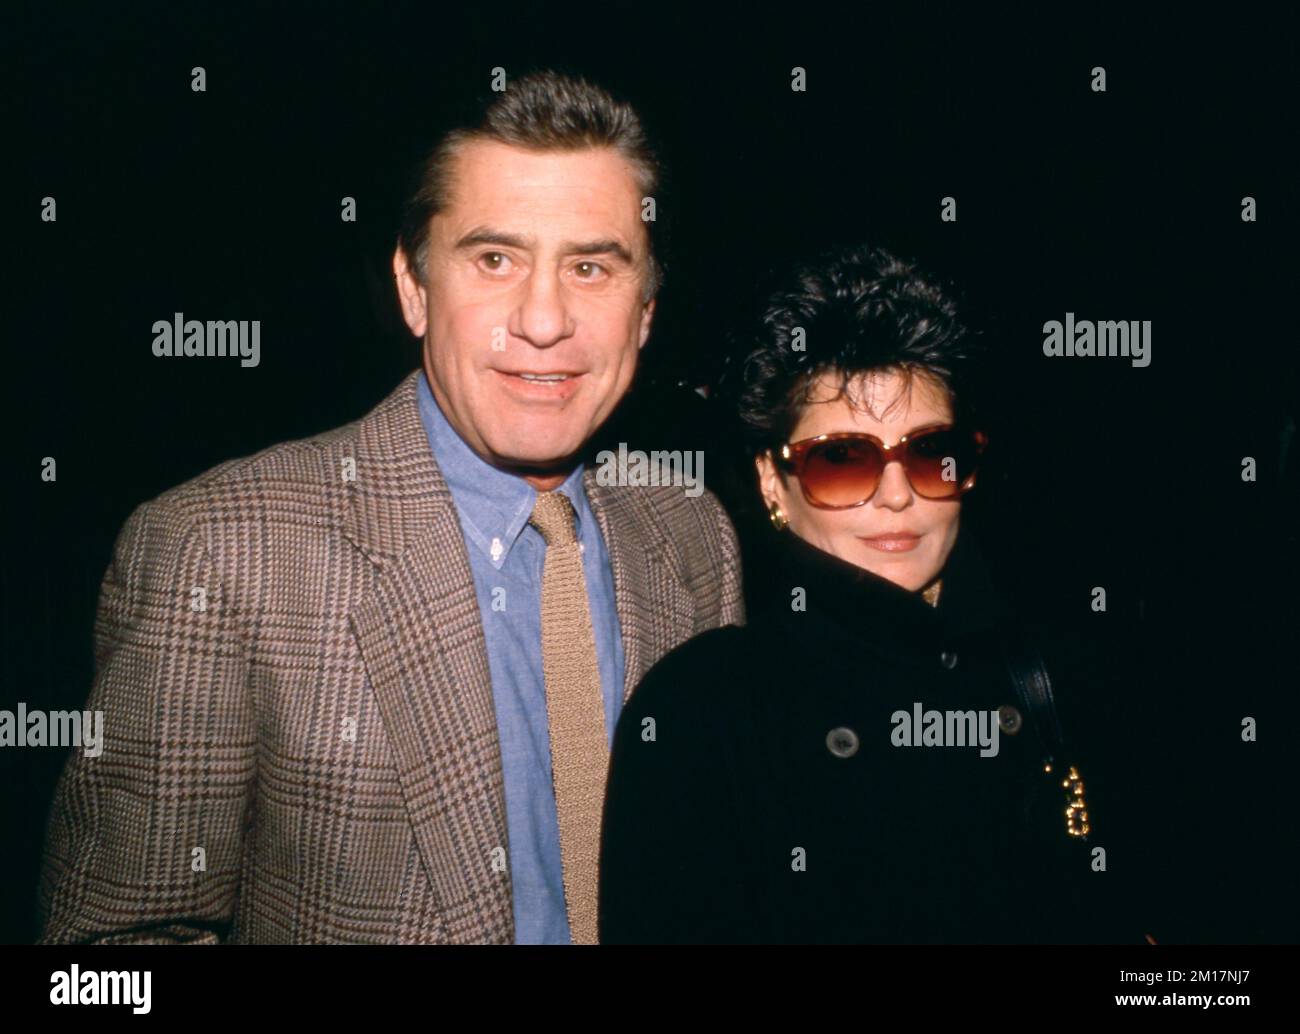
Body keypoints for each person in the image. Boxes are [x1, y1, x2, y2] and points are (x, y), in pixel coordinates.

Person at [38, 70, 743, 945]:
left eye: (592, 267)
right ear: (412, 287)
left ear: (644, 310)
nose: (544, 319)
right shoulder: (221, 551)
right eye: (495, 259)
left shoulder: (689, 529)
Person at [598, 243, 1158, 943]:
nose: (897, 495)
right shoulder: (703, 712)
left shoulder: (1046, 674)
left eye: (930, 452)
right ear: (775, 484)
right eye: (843, 458)